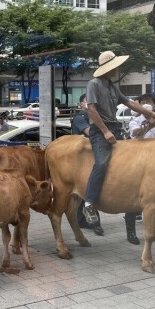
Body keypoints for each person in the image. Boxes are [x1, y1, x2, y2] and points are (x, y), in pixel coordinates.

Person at [82, 51, 155, 231]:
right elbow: (92, 110)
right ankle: (89, 204)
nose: (118, 69)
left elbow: (130, 103)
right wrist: (105, 131)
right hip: (100, 131)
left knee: (128, 163)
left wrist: (152, 114)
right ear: (108, 68)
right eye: (116, 66)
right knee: (101, 163)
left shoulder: (112, 86)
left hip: (115, 129)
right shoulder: (93, 84)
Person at [124, 93, 155, 245]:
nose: (146, 105)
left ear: (154, 105)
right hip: (138, 164)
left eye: (149, 102)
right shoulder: (134, 121)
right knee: (133, 199)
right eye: (142, 103)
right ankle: (131, 232)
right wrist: (149, 126)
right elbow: (136, 134)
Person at [72, 94, 102, 233]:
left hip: (91, 157)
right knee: (88, 188)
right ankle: (93, 222)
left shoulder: (93, 117)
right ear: (81, 104)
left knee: (86, 190)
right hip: (82, 160)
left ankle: (83, 220)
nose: (90, 104)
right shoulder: (80, 118)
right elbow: (90, 132)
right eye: (86, 101)